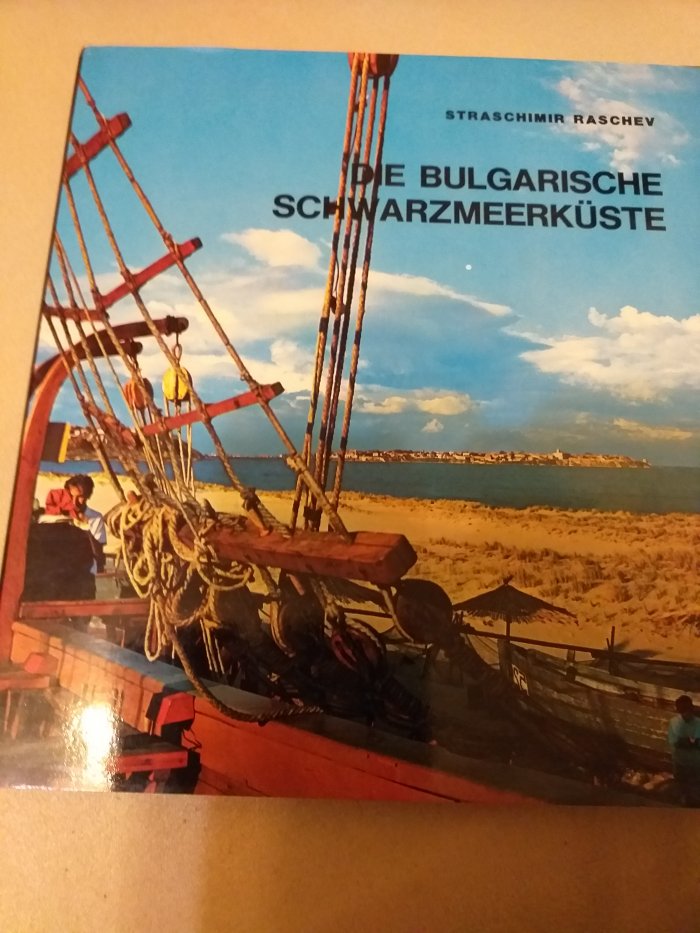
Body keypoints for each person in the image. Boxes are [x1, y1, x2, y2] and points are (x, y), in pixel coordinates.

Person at [667, 695, 700, 806]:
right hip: (680, 761)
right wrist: (690, 742)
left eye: (687, 710)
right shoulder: (674, 722)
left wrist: (685, 742)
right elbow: (674, 742)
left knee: (695, 786)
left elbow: (696, 743)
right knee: (682, 785)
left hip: (695, 762)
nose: (686, 714)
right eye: (683, 711)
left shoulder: (698, 723)